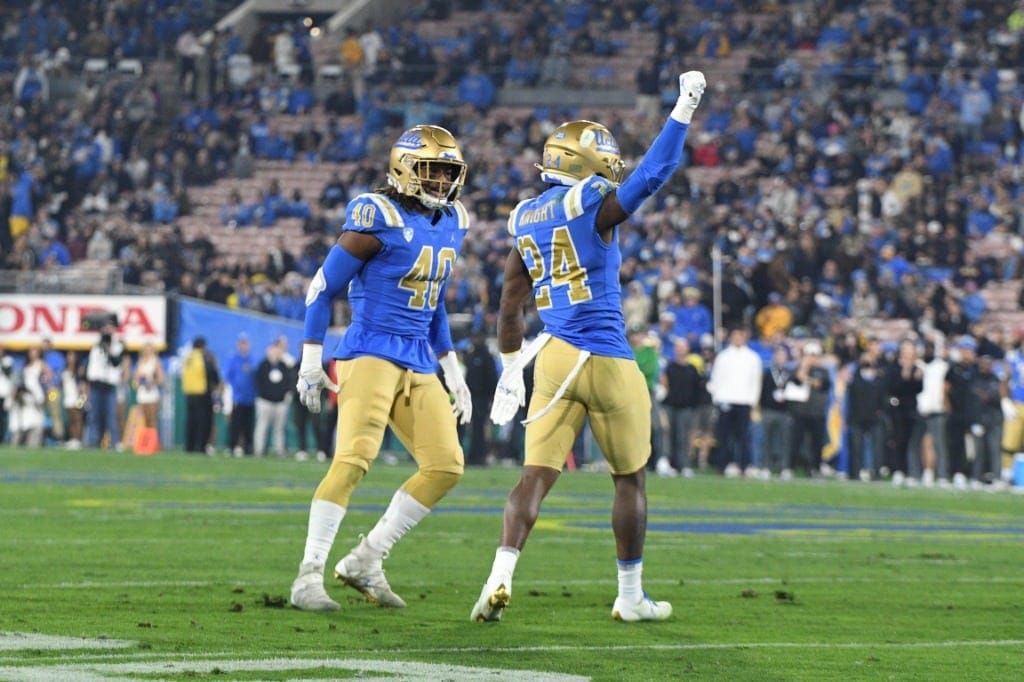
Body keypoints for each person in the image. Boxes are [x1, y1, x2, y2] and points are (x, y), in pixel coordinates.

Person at [471, 71, 706, 624]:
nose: (611, 165)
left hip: (551, 356)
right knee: (630, 479)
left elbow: (509, 305)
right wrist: (683, 110)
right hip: (605, 355)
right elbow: (653, 174)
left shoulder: (526, 217)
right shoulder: (592, 202)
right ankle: (629, 597)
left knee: (534, 477)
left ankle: (499, 577)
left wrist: (510, 369)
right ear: (584, 164)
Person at [289, 124, 473, 611]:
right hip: (369, 349)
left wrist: (451, 365)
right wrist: (310, 357)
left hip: (417, 355)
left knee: (446, 465)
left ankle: (366, 558)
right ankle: (308, 575)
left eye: (447, 173)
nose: (440, 182)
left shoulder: (454, 218)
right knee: (353, 460)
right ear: (404, 169)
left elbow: (432, 299)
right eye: (431, 171)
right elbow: (320, 288)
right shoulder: (377, 214)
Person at [707, 326, 763, 477]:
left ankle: (744, 465)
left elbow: (755, 381)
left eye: (740, 335)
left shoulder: (753, 358)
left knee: (744, 436)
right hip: (725, 399)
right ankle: (723, 465)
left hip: (744, 401)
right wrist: (717, 398)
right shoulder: (723, 356)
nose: (738, 338)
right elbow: (716, 378)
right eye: (735, 335)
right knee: (724, 436)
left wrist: (753, 401)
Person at [85, 319, 125, 449]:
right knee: (94, 415)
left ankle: (114, 443)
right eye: (104, 328)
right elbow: (92, 365)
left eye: (109, 328)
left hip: (109, 385)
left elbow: (116, 362)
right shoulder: (96, 344)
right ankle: (93, 443)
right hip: (96, 384)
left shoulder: (117, 344)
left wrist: (108, 350)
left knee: (111, 416)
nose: (106, 331)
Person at [181, 336, 221, 454]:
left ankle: (189, 446)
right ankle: (201, 446)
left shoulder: (188, 357)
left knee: (191, 421)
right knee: (203, 421)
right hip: (202, 392)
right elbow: (212, 373)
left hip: (189, 393)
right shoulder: (204, 356)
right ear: (203, 346)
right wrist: (217, 382)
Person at [225, 333, 257, 457]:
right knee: (235, 424)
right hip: (238, 398)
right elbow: (228, 377)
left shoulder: (252, 359)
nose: (243, 346)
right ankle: (232, 446)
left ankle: (248, 448)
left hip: (250, 398)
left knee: (249, 425)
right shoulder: (233, 359)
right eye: (241, 343)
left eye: (245, 343)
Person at [132, 342, 165, 431]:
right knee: (144, 420)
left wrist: (151, 382)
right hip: (142, 393)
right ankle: (146, 442)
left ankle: (153, 442)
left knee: (152, 419)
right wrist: (137, 383)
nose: (147, 351)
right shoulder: (140, 361)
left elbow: (161, 378)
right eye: (146, 349)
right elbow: (135, 378)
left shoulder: (155, 361)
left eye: (149, 349)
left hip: (152, 393)